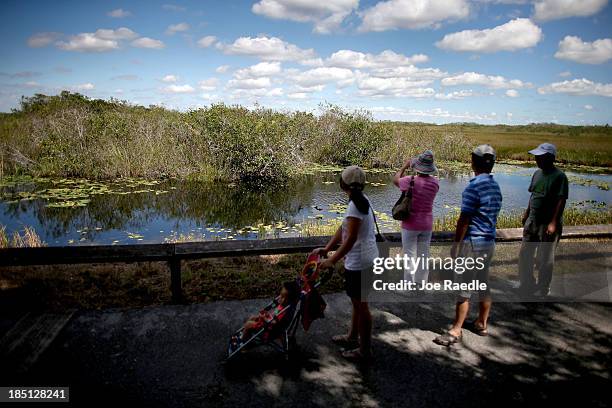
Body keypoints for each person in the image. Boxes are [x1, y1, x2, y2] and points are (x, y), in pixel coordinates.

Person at [433, 145, 502, 347]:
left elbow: (464, 219)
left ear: (474, 162)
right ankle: (482, 323)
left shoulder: (473, 187)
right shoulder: (494, 185)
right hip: (489, 242)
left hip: (473, 243)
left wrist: (456, 244)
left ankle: (456, 330)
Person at [312, 165, 379, 363]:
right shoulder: (361, 201)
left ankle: (364, 350)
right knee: (357, 304)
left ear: (343, 184)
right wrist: (327, 248)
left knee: (362, 306)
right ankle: (352, 336)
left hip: (361, 262)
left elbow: (350, 240)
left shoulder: (355, 206)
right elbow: (343, 230)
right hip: (365, 258)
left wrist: (331, 260)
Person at [517, 143, 568, 297]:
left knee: (545, 259)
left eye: (540, 156)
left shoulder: (559, 177)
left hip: (547, 223)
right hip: (533, 220)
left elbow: (561, 200)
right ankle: (527, 284)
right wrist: (527, 213)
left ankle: (543, 288)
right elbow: (533, 195)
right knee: (525, 254)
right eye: (537, 156)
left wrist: (553, 222)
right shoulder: (537, 174)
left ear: (550, 158)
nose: (537, 159)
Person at [393, 150, 439, 285]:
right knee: (423, 256)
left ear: (418, 166)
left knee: (409, 256)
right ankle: (421, 284)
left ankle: (408, 287)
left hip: (410, 224)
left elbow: (395, 180)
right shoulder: (435, 183)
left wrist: (404, 167)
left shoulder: (409, 180)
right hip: (427, 224)